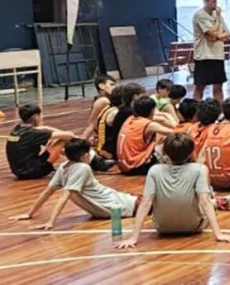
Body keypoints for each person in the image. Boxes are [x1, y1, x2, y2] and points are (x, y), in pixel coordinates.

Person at [115, 133, 230, 248]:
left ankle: (219, 201)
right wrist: (218, 234)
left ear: (166, 153)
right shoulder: (198, 170)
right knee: (207, 198)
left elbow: (146, 203)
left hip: (162, 228)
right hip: (194, 226)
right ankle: (218, 201)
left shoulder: (154, 170)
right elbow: (204, 201)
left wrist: (134, 238)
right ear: (190, 153)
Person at [9, 138, 138, 230]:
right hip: (117, 206)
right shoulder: (83, 168)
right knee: (151, 200)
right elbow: (64, 195)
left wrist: (30, 214)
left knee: (145, 198)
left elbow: (48, 192)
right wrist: (50, 222)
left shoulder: (63, 167)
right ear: (85, 156)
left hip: (114, 203)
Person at [6, 105, 74, 180]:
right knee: (63, 139)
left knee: (50, 140)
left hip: (18, 171)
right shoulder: (33, 133)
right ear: (36, 117)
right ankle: (77, 162)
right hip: (31, 172)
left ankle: (74, 161)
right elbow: (70, 135)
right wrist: (47, 128)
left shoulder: (17, 129)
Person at [117, 96, 175, 176]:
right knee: (167, 139)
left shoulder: (130, 119)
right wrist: (172, 118)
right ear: (152, 110)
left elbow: (160, 119)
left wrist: (165, 117)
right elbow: (174, 133)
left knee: (157, 137)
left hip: (123, 165)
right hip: (136, 166)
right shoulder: (149, 125)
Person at [192, 0, 230, 101]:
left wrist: (217, 37)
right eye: (213, 1)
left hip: (217, 55)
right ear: (205, 1)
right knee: (200, 86)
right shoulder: (200, 15)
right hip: (204, 56)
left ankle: (219, 111)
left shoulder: (217, 15)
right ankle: (197, 111)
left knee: (218, 86)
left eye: (216, 1)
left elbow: (227, 33)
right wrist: (218, 18)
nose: (215, 4)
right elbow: (212, 32)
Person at [80, 74, 117, 142]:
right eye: (111, 84)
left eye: (114, 85)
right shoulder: (103, 101)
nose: (114, 87)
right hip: (107, 141)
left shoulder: (108, 100)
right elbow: (91, 126)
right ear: (101, 86)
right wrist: (79, 144)